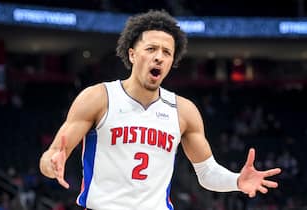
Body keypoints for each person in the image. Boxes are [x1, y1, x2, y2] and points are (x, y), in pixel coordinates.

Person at [39, 10, 281, 210]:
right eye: (151, 49)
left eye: (167, 52)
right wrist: (52, 163)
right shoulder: (98, 97)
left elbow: (207, 173)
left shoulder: (183, 111)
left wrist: (237, 181)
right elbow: (49, 157)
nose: (159, 57)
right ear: (132, 54)